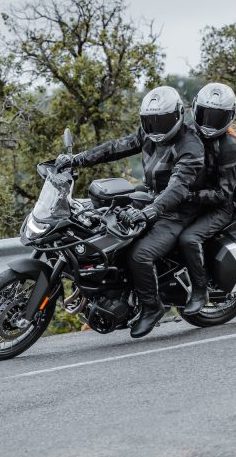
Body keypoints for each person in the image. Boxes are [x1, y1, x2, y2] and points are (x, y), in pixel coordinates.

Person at [54, 86, 204, 338]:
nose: (156, 127)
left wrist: (150, 211)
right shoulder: (149, 133)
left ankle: (152, 307)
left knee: (140, 255)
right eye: (150, 121)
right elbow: (116, 147)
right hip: (151, 197)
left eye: (162, 121)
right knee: (100, 223)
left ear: (178, 115)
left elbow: (178, 187)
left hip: (178, 210)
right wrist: (77, 159)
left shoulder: (190, 145)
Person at [178, 82, 236, 315]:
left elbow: (223, 193)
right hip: (190, 199)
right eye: (206, 114)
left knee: (189, 238)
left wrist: (189, 196)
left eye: (217, 117)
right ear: (195, 109)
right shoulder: (187, 133)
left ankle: (200, 290)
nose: (209, 123)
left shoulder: (230, 146)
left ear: (229, 116)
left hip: (218, 207)